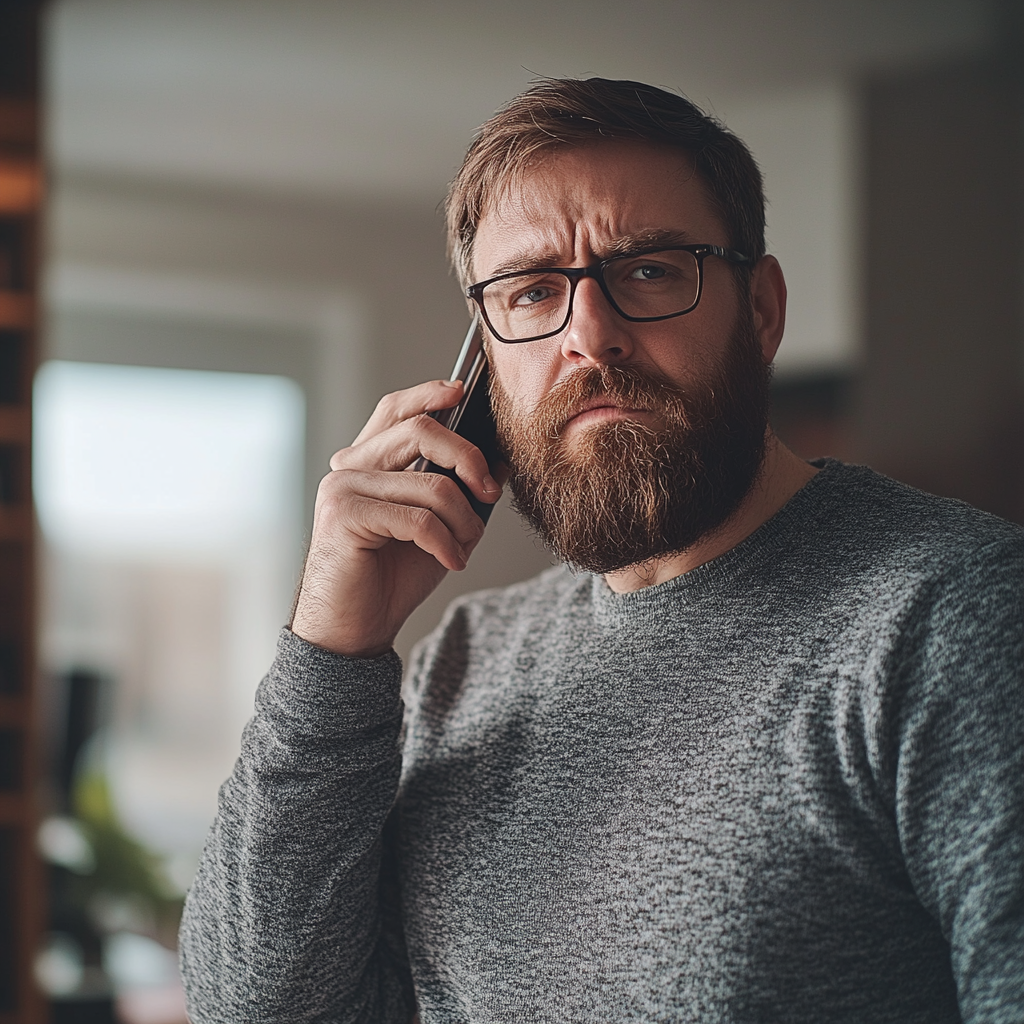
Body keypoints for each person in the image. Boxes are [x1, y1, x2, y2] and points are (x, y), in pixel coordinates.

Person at [179, 78, 1023, 1023]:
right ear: (482, 366)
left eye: (653, 270)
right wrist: (331, 649)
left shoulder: (958, 619)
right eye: (533, 291)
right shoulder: (467, 662)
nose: (591, 335)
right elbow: (260, 1010)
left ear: (763, 311)